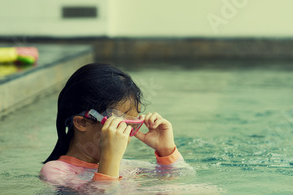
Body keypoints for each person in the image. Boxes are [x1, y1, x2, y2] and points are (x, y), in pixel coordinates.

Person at [40, 63, 186, 187]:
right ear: (82, 122)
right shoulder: (55, 172)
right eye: (118, 126)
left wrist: (166, 150)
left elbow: (180, 180)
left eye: (132, 125)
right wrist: (110, 160)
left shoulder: (127, 166)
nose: (125, 136)